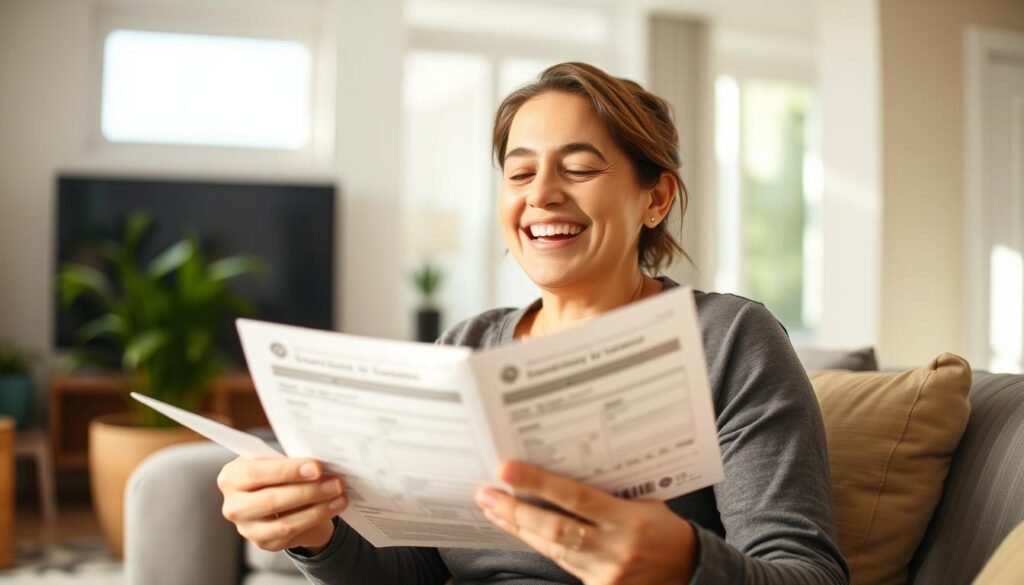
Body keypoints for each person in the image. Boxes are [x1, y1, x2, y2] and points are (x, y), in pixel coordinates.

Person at [216, 62, 849, 585]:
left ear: (655, 199)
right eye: (520, 172)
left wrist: (685, 565)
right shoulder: (465, 346)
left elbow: (808, 573)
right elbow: (415, 571)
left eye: (578, 168)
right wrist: (316, 535)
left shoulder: (728, 339)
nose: (540, 194)